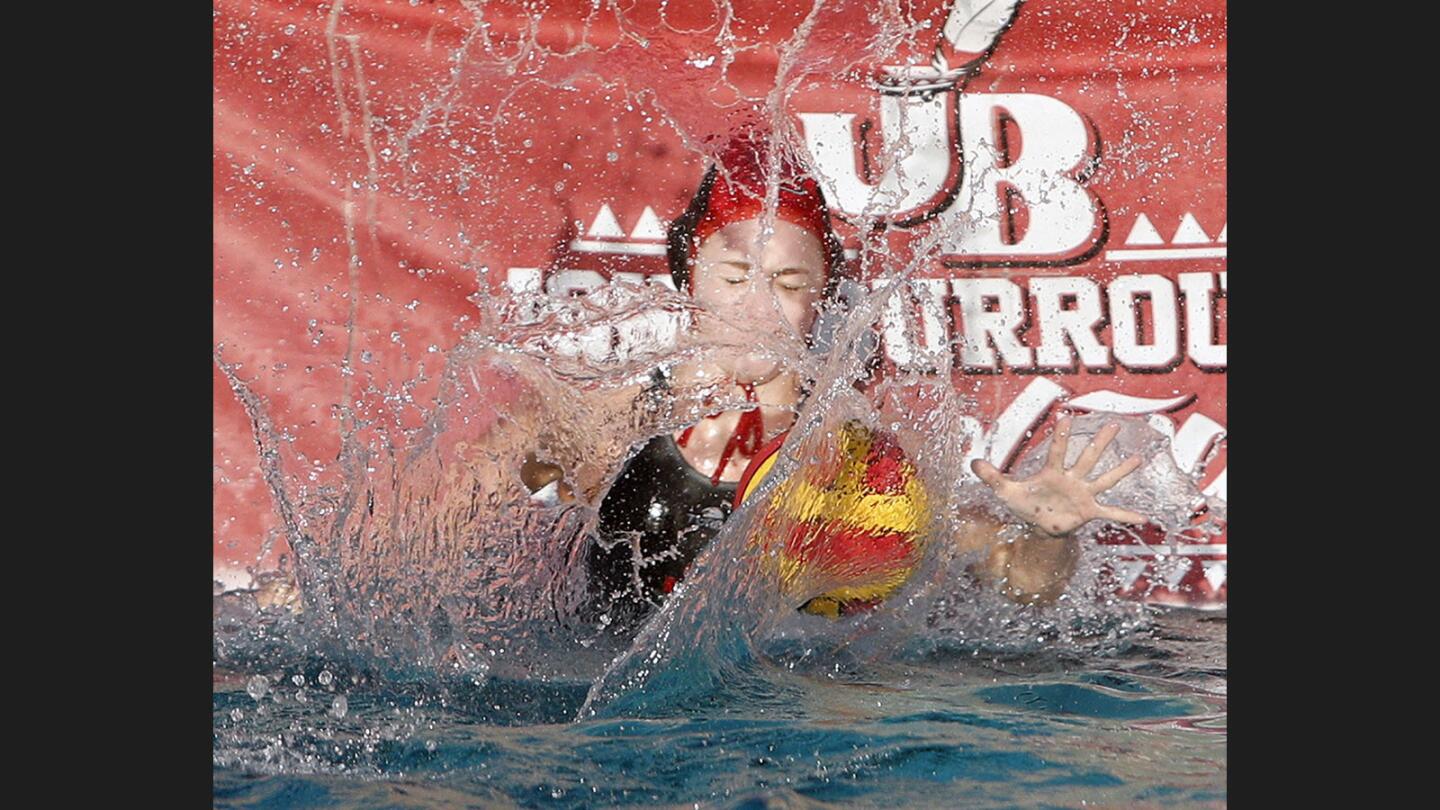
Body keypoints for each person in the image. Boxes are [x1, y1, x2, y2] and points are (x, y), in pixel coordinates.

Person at [516, 129, 1149, 631]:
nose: (758, 307)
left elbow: (1019, 581)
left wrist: (1045, 535)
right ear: (689, 279)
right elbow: (470, 517)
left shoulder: (852, 451)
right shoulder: (611, 416)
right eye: (734, 277)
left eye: (789, 285)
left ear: (820, 301)